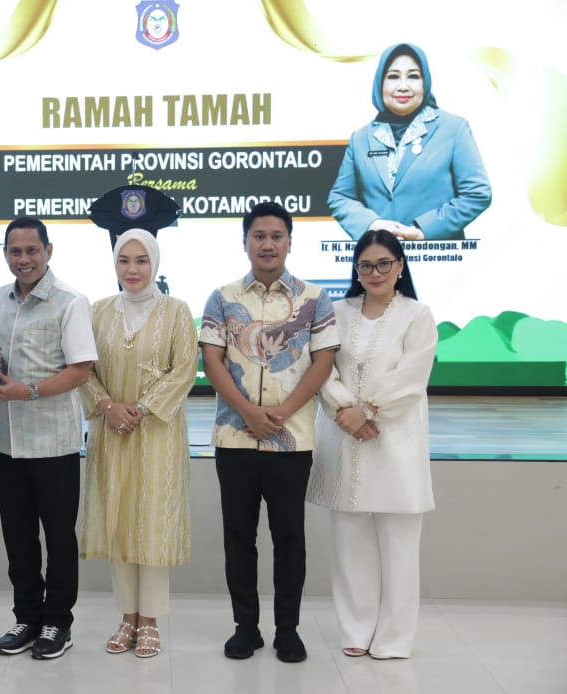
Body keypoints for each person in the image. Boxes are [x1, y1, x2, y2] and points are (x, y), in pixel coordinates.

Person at [199, 201, 340, 663]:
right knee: (238, 536)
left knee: (289, 538)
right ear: (245, 241)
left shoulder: (315, 298)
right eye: (258, 235)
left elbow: (323, 361)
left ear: (289, 243)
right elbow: (212, 361)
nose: (267, 244)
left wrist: (280, 412)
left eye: (276, 236)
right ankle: (246, 628)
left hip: (291, 441)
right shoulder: (222, 298)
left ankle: (288, 631)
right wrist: (249, 412)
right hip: (235, 439)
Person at [307, 229, 437, 660]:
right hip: (345, 435)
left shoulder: (417, 315)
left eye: (384, 263)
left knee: (399, 545)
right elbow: (322, 367)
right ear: (356, 269)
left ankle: (394, 637)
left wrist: (368, 410)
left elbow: (412, 376)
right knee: (349, 540)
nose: (375, 272)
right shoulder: (337, 312)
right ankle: (356, 629)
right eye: (366, 265)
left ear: (400, 266)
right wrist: (346, 409)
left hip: (395, 439)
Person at [0, 216, 97, 660]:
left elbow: (80, 371)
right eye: (15, 251)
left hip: (54, 443)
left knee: (59, 538)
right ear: (5, 254)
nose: (23, 259)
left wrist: (26, 391)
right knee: (18, 536)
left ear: (49, 251)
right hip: (7, 440)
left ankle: (57, 623)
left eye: (32, 250)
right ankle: (27, 617)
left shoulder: (71, 301)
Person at [79, 229, 197, 658]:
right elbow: (83, 368)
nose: (132, 269)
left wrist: (142, 409)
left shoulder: (177, 311)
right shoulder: (98, 311)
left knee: (153, 524)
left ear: (155, 263)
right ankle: (127, 616)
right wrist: (107, 406)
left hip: (157, 436)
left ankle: (150, 620)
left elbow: (184, 370)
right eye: (124, 260)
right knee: (118, 521)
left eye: (141, 260)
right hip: (111, 433)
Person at [328, 42, 491, 241]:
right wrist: (372, 225)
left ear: (425, 82)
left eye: (413, 76)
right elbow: (340, 197)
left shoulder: (454, 129)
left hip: (438, 255)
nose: (403, 86)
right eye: (393, 77)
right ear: (380, 83)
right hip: (377, 254)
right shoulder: (360, 138)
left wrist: (424, 230)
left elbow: (477, 193)